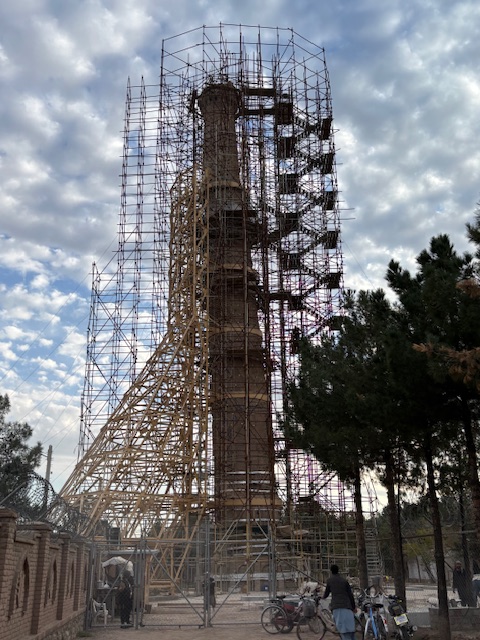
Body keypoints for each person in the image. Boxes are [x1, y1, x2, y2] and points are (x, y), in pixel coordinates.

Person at [322, 565, 356, 640]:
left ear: (331, 571)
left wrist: (322, 597)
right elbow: (350, 595)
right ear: (338, 571)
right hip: (347, 607)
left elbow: (326, 594)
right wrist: (353, 607)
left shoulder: (330, 581)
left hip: (337, 607)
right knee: (351, 631)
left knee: (343, 631)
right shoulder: (344, 581)